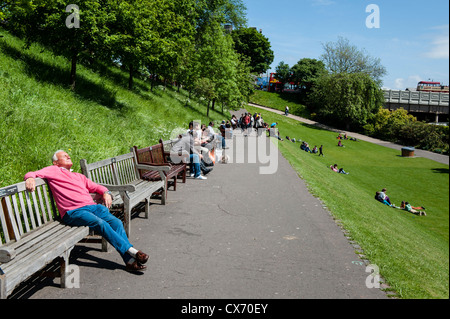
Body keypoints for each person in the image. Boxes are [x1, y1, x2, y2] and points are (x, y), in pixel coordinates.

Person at [24, 150, 149, 272]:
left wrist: (106, 192)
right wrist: (30, 178)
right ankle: (133, 252)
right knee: (100, 223)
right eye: (64, 156)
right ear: (56, 163)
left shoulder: (78, 176)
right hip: (73, 212)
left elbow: (95, 186)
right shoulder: (53, 170)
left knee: (117, 222)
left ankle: (130, 261)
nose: (68, 156)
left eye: (68, 155)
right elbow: (33, 173)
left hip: (93, 207)